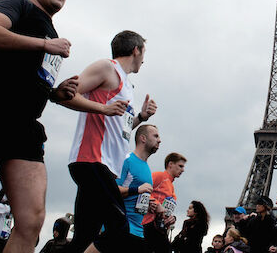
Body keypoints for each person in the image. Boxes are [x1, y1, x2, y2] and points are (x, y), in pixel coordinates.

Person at [0, 0, 78, 253]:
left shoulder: (51, 32)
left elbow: (28, 76)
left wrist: (54, 93)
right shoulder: (18, 5)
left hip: (26, 128)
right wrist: (44, 44)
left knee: (31, 221)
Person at [62, 30, 157, 253]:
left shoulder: (126, 85)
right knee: (118, 229)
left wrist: (141, 118)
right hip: (92, 160)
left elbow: (118, 127)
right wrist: (103, 108)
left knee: (86, 234)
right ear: (136, 50)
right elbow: (67, 94)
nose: (144, 59)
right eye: (144, 53)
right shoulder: (107, 68)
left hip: (104, 166)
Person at [85, 124, 159, 252]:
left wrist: (148, 206)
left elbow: (136, 197)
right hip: (120, 227)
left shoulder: (147, 168)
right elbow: (111, 190)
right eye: (155, 136)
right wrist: (136, 190)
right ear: (143, 138)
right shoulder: (127, 160)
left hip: (138, 233)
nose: (160, 140)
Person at [142, 152, 186, 253]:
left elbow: (166, 208)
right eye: (180, 166)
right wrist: (156, 204)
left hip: (159, 228)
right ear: (170, 164)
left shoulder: (171, 186)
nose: (183, 170)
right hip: (147, 223)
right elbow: (143, 190)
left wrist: (171, 218)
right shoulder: (159, 176)